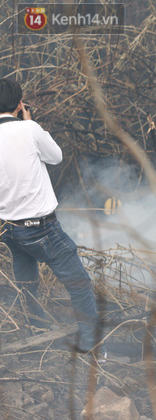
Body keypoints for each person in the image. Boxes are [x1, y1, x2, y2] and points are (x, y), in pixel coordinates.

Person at [0, 78, 104, 358]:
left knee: (27, 285)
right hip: (42, 230)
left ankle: (36, 337)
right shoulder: (30, 129)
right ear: (19, 104)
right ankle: (92, 348)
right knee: (79, 284)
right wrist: (31, 122)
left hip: (8, 229)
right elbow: (56, 157)